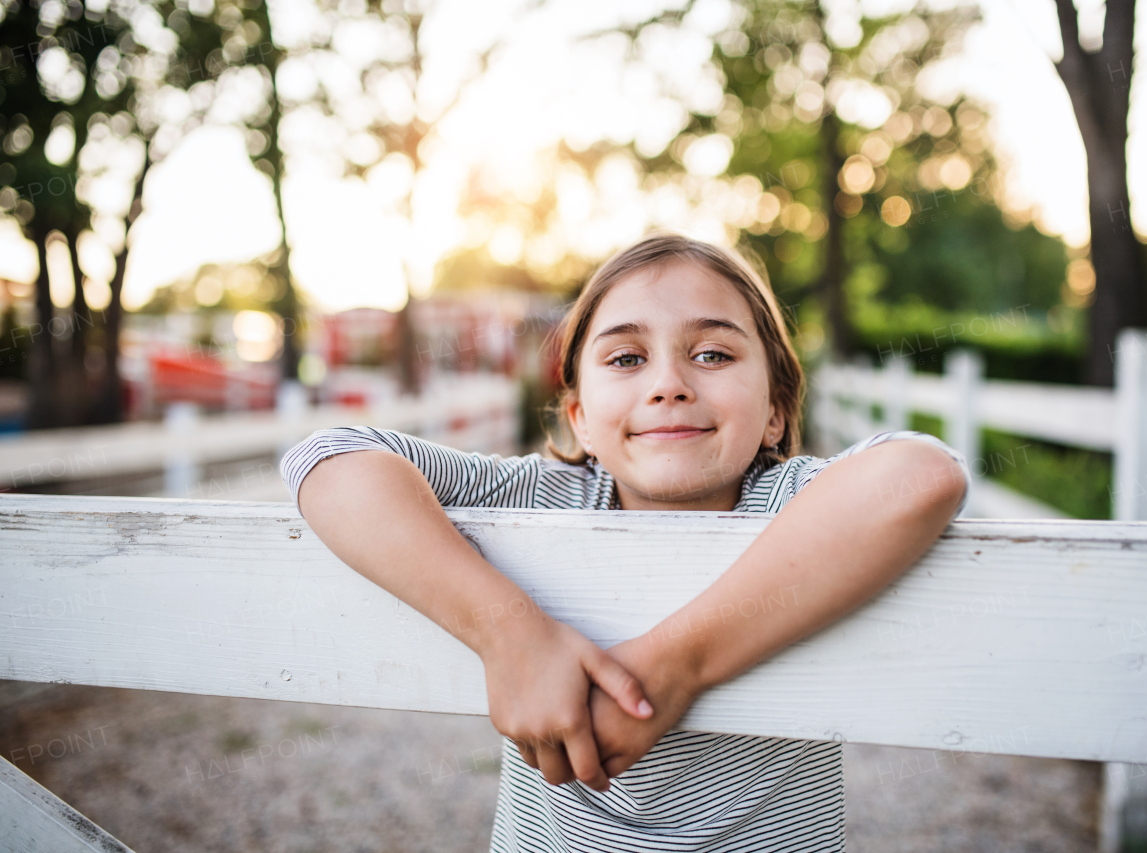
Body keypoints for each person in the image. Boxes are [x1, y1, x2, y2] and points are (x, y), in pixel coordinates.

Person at [281, 232, 970, 853]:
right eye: (627, 357)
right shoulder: (545, 495)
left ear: (776, 412)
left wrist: (676, 666)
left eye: (713, 353)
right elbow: (330, 455)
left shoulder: (790, 503)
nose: (669, 384)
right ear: (579, 417)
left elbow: (922, 474)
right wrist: (510, 633)